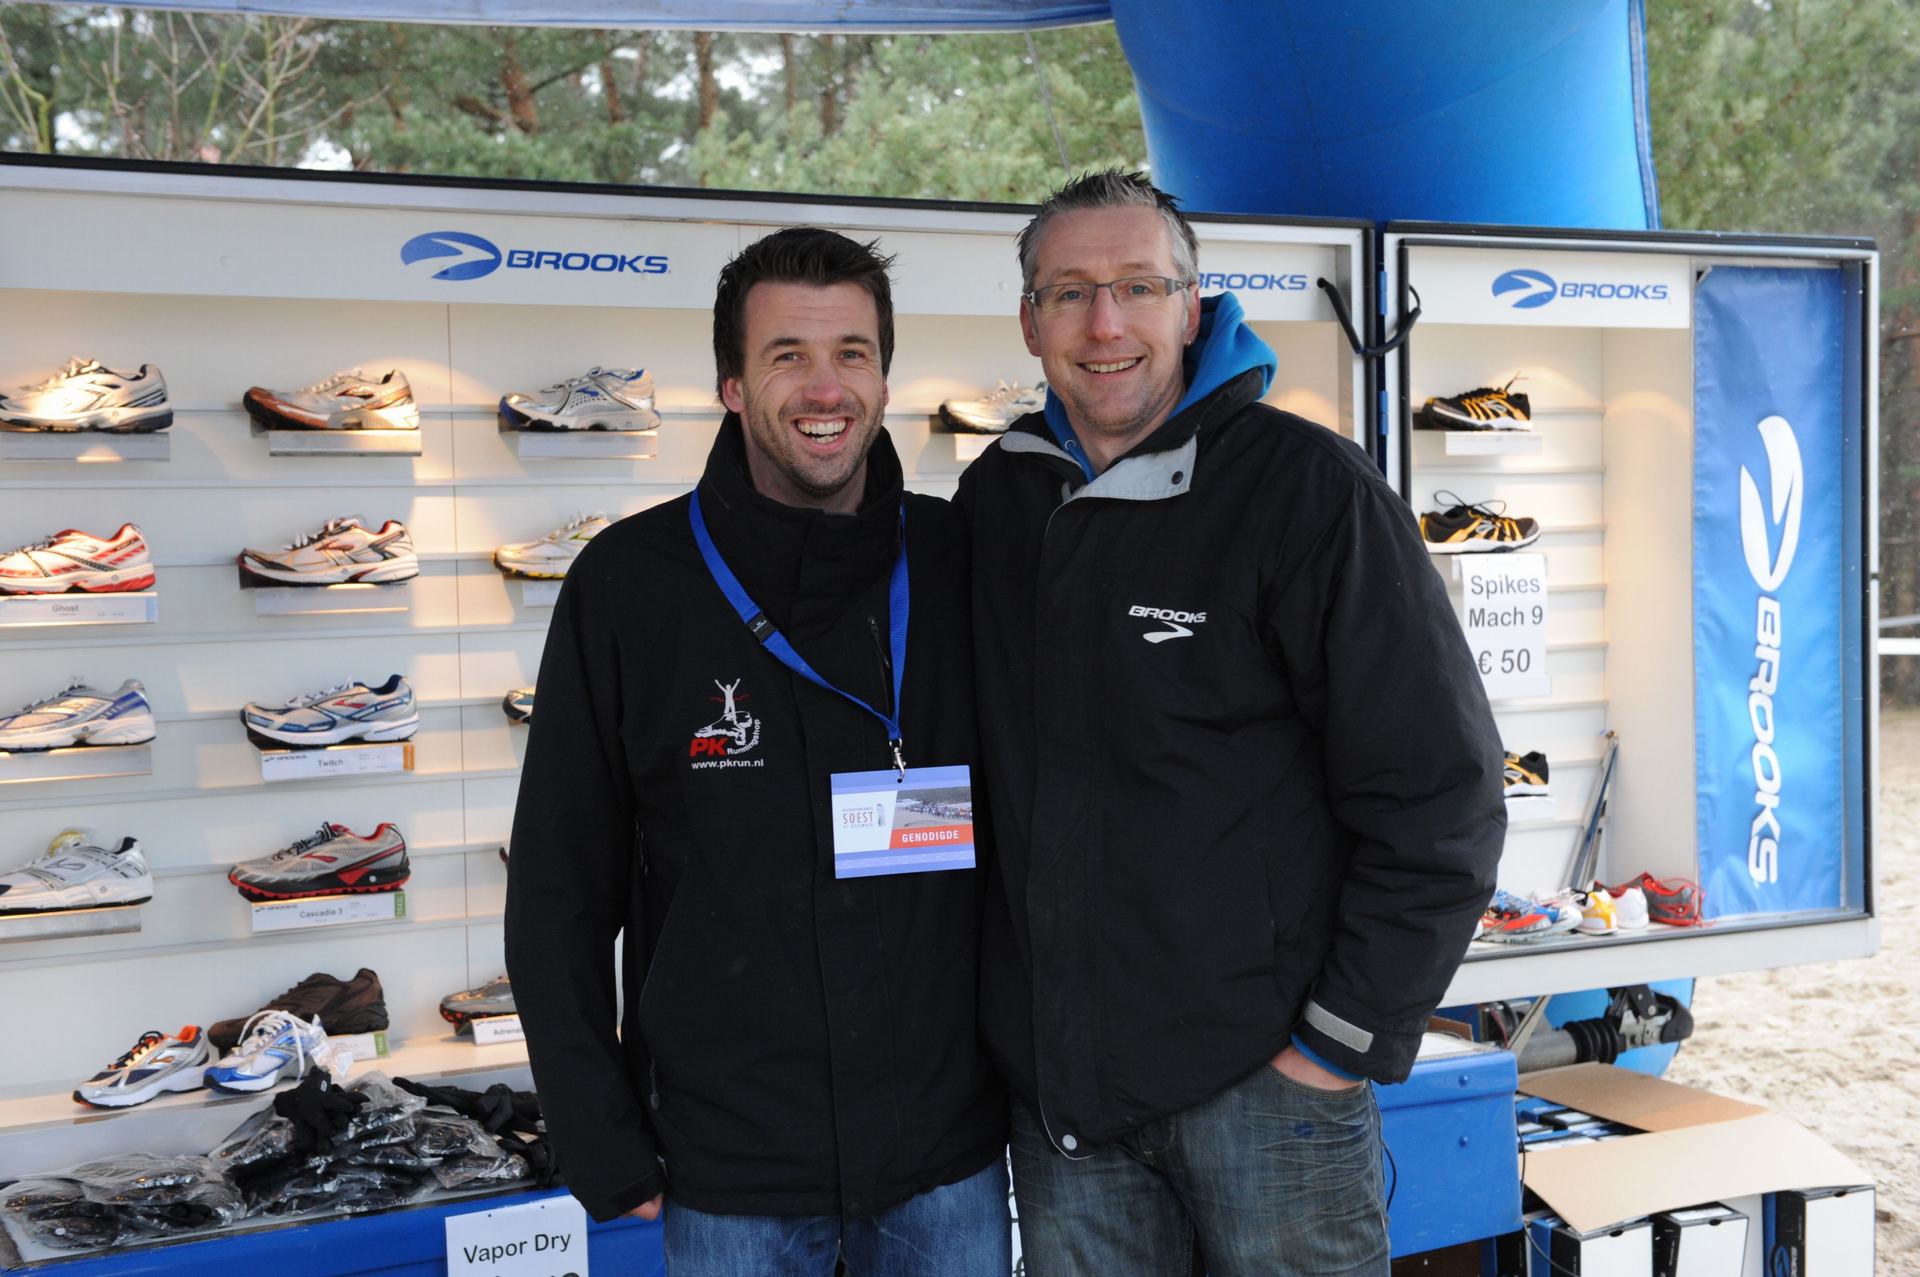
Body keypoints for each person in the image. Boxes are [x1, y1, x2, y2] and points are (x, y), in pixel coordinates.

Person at [958, 169, 1506, 1275]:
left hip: (1267, 1093)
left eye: (1138, 286)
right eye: (1069, 293)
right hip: (1068, 1111)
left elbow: (1442, 792)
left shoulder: (1308, 491)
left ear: (1191, 307)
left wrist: (1337, 1041)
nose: (1104, 324)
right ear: (1028, 320)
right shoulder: (997, 503)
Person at [506, 226, 1007, 1276]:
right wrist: (596, 1128)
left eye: (852, 354)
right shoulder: (631, 583)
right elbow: (559, 887)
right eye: (788, 356)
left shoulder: (958, 558)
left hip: (946, 1158)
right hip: (730, 1167)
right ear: (731, 385)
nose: (825, 388)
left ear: (884, 376)